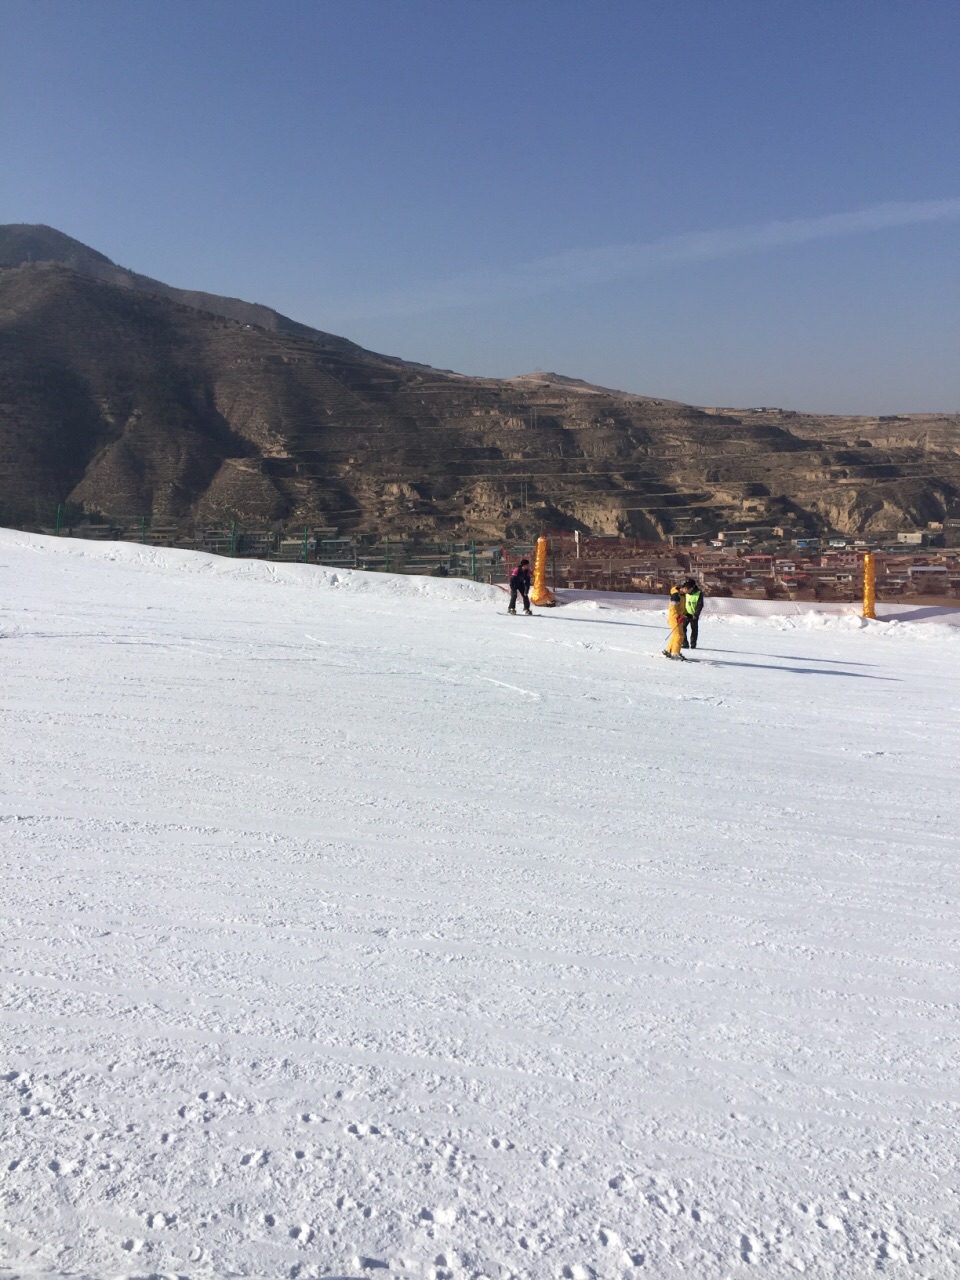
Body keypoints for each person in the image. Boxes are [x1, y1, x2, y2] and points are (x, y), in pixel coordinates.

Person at [662, 583, 687, 660]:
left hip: (679, 618)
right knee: (679, 635)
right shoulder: (675, 596)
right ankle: (675, 653)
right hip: (674, 619)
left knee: (676, 635)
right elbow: (673, 609)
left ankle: (669, 650)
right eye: (689, 589)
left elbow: (682, 607)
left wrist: (685, 614)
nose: (689, 591)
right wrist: (677, 617)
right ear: (684, 588)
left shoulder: (683, 595)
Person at [680, 578, 704, 649]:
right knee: (682, 628)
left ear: (692, 587)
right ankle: (685, 643)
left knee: (694, 630)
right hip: (686, 614)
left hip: (694, 615)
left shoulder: (699, 593)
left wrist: (696, 615)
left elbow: (700, 605)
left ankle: (693, 645)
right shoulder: (685, 593)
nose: (686, 590)